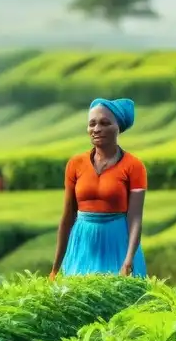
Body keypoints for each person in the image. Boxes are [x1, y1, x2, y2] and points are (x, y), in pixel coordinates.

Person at [50, 98, 148, 280]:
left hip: (117, 241)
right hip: (82, 242)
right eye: (92, 124)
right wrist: (56, 267)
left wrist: (128, 260)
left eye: (105, 123)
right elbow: (67, 217)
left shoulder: (134, 166)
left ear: (118, 128)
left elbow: (135, 219)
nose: (96, 129)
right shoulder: (75, 164)